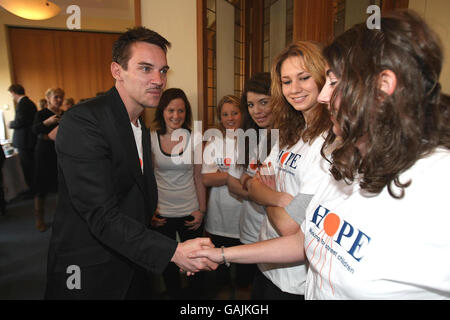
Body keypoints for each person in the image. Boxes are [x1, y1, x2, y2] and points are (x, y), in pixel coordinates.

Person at [190, 10, 450, 299]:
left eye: (334, 83)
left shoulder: (438, 184)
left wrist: (266, 194)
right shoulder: (352, 163)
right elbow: (304, 238)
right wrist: (223, 254)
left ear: (382, 86)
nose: (324, 96)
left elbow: (289, 222)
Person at [45, 27, 216, 300]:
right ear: (117, 70)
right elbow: (100, 214)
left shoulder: (139, 125)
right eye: (146, 69)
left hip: (132, 262)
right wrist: (173, 251)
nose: (158, 80)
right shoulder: (85, 121)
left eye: (163, 71)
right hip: (89, 270)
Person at [245, 41, 330, 300]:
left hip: (295, 281)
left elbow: (289, 226)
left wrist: (266, 193)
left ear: (322, 78)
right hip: (267, 261)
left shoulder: (328, 142)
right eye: (286, 81)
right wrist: (281, 198)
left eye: (303, 78)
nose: (294, 89)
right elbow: (251, 185)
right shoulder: (289, 133)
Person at [150, 88, 207, 299]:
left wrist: (202, 210)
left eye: (181, 111)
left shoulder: (195, 138)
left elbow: (199, 177)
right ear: (162, 111)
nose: (176, 116)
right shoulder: (151, 138)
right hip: (162, 213)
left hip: (190, 211)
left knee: (196, 265)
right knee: (168, 265)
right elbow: (149, 180)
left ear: (187, 113)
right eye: (170, 110)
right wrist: (151, 211)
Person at [226, 72, 275, 295]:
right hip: (250, 226)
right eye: (251, 104)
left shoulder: (290, 139)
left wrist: (249, 183)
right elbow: (232, 182)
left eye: (264, 102)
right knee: (248, 286)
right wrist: (256, 190)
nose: (257, 110)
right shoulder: (248, 137)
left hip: (277, 236)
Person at [201, 94, 245, 298]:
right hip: (219, 219)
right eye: (225, 114)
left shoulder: (255, 142)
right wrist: (230, 177)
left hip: (246, 220)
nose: (230, 118)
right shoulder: (214, 143)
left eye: (234, 113)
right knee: (222, 279)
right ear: (220, 117)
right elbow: (206, 179)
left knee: (246, 278)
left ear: (242, 114)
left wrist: (222, 176)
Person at [32, 87, 64, 232]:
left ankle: (61, 218)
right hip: (44, 153)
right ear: (48, 98)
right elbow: (35, 130)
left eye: (61, 97)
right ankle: (40, 219)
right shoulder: (42, 113)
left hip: (61, 153)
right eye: (56, 97)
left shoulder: (65, 113)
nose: (59, 100)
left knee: (61, 186)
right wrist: (48, 122)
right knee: (41, 187)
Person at [7, 84, 37, 194]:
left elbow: (21, 121)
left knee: (27, 166)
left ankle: (32, 190)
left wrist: (11, 124)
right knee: (30, 165)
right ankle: (34, 188)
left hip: (24, 141)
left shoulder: (22, 104)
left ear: (14, 93)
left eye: (11, 94)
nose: (12, 97)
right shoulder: (29, 103)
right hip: (29, 140)